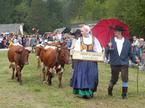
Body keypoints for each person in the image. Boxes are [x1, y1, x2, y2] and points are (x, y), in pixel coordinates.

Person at [71, 25, 102, 99]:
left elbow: (98, 49)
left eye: (82, 31)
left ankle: (90, 92)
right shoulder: (80, 40)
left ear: (87, 31)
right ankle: (83, 93)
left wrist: (95, 53)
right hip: (82, 60)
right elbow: (76, 49)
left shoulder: (94, 39)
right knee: (83, 75)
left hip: (91, 61)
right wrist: (81, 51)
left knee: (92, 75)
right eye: (81, 31)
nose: (81, 32)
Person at [105, 26, 137, 99]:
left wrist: (135, 60)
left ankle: (124, 94)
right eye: (114, 31)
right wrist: (108, 47)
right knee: (114, 79)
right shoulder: (111, 41)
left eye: (115, 31)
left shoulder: (127, 42)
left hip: (124, 63)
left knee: (125, 78)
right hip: (114, 62)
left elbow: (130, 53)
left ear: (119, 32)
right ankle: (110, 89)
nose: (114, 32)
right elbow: (106, 51)